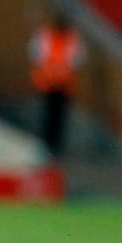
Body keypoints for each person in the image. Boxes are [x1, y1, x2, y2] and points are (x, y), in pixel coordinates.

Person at [29, 13, 85, 157]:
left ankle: (52, 144)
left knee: (56, 115)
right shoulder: (49, 37)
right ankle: (50, 144)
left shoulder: (67, 39)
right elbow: (77, 59)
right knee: (52, 114)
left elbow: (77, 58)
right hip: (53, 81)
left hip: (59, 82)